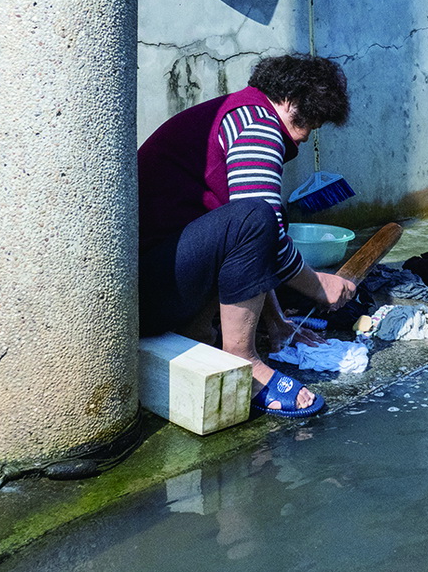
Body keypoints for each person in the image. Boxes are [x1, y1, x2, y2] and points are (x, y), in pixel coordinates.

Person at [137, 54, 355, 418]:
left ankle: (204, 333)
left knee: (263, 216)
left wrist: (276, 322)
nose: (313, 128)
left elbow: (250, 245)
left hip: (159, 277)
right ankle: (242, 360)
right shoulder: (258, 124)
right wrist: (318, 285)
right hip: (146, 293)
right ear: (296, 100)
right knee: (258, 216)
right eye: (316, 118)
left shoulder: (243, 112)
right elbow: (257, 224)